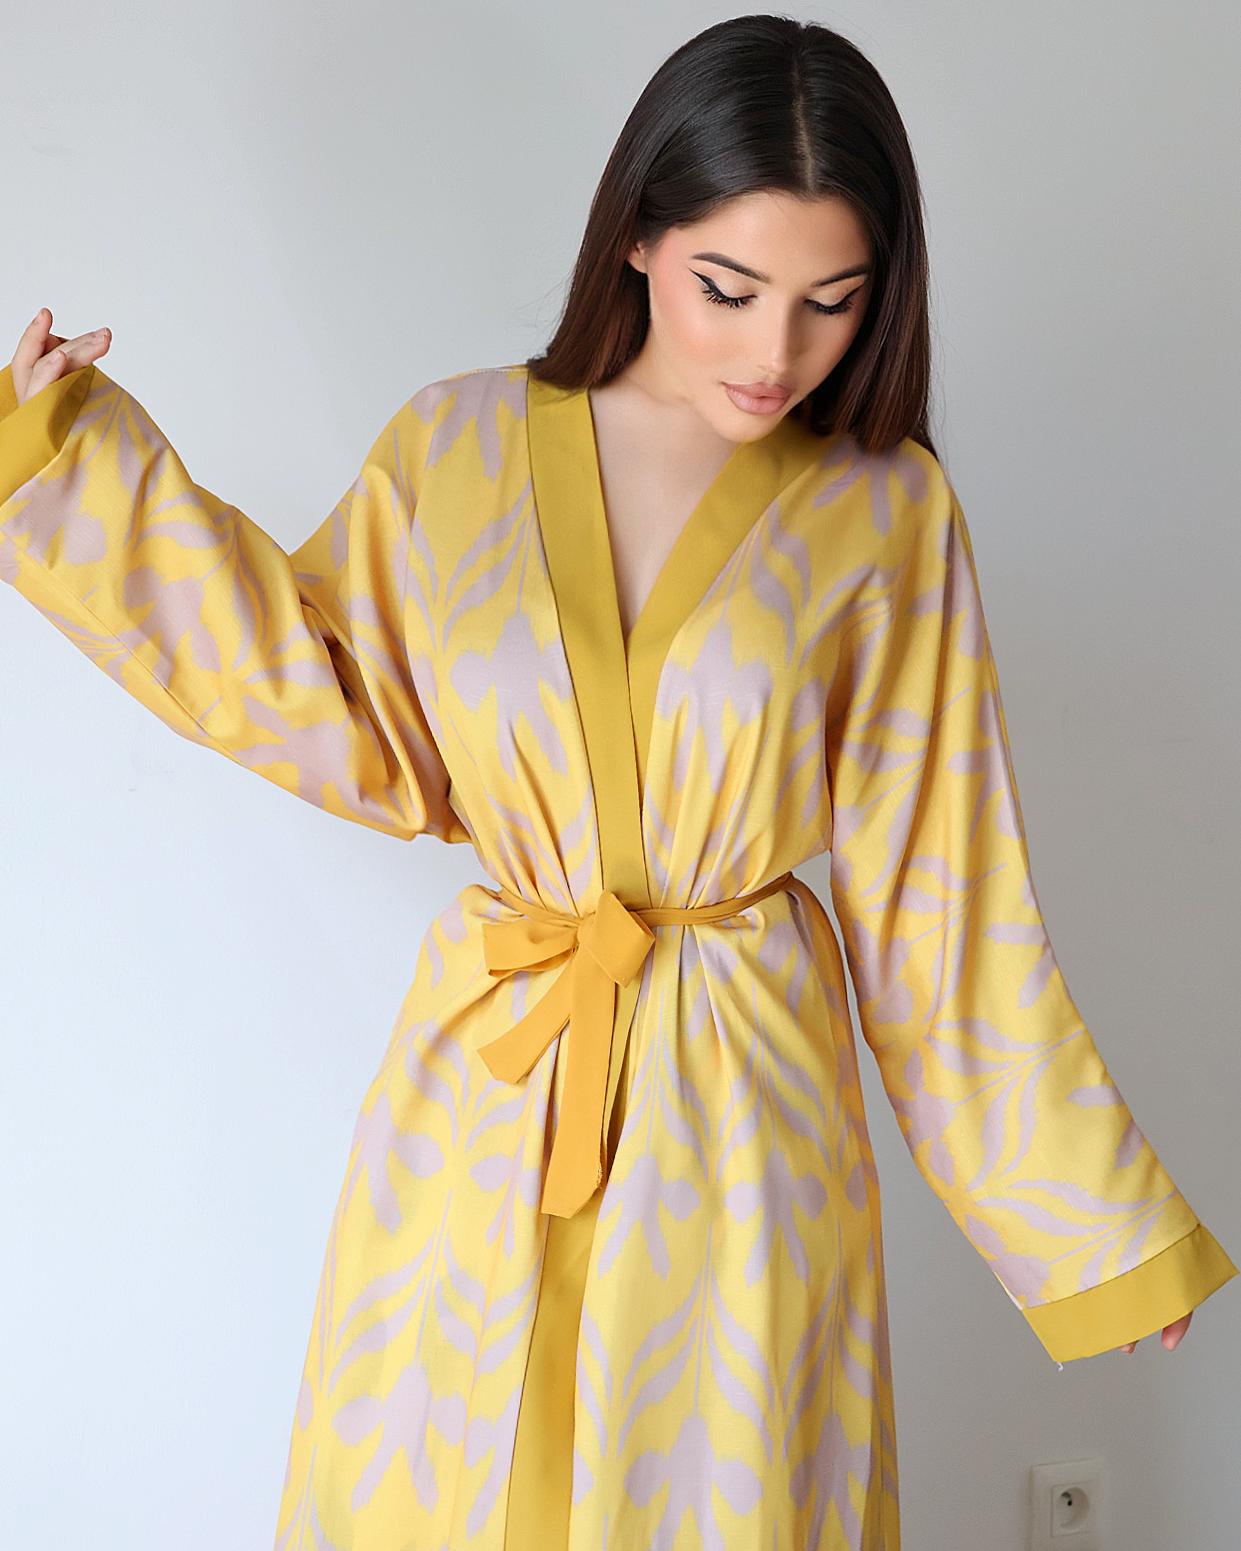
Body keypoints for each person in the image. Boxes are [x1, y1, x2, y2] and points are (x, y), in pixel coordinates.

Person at [2, 13, 1234, 1551]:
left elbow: (944, 906)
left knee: (710, 1491)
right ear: (639, 235)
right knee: (453, 1481)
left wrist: (1091, 1222)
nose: (776, 353)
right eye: (730, 288)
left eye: (832, 302)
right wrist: (66, 466)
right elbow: (327, 699)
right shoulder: (454, 446)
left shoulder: (886, 512)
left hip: (743, 1113)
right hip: (491, 1086)